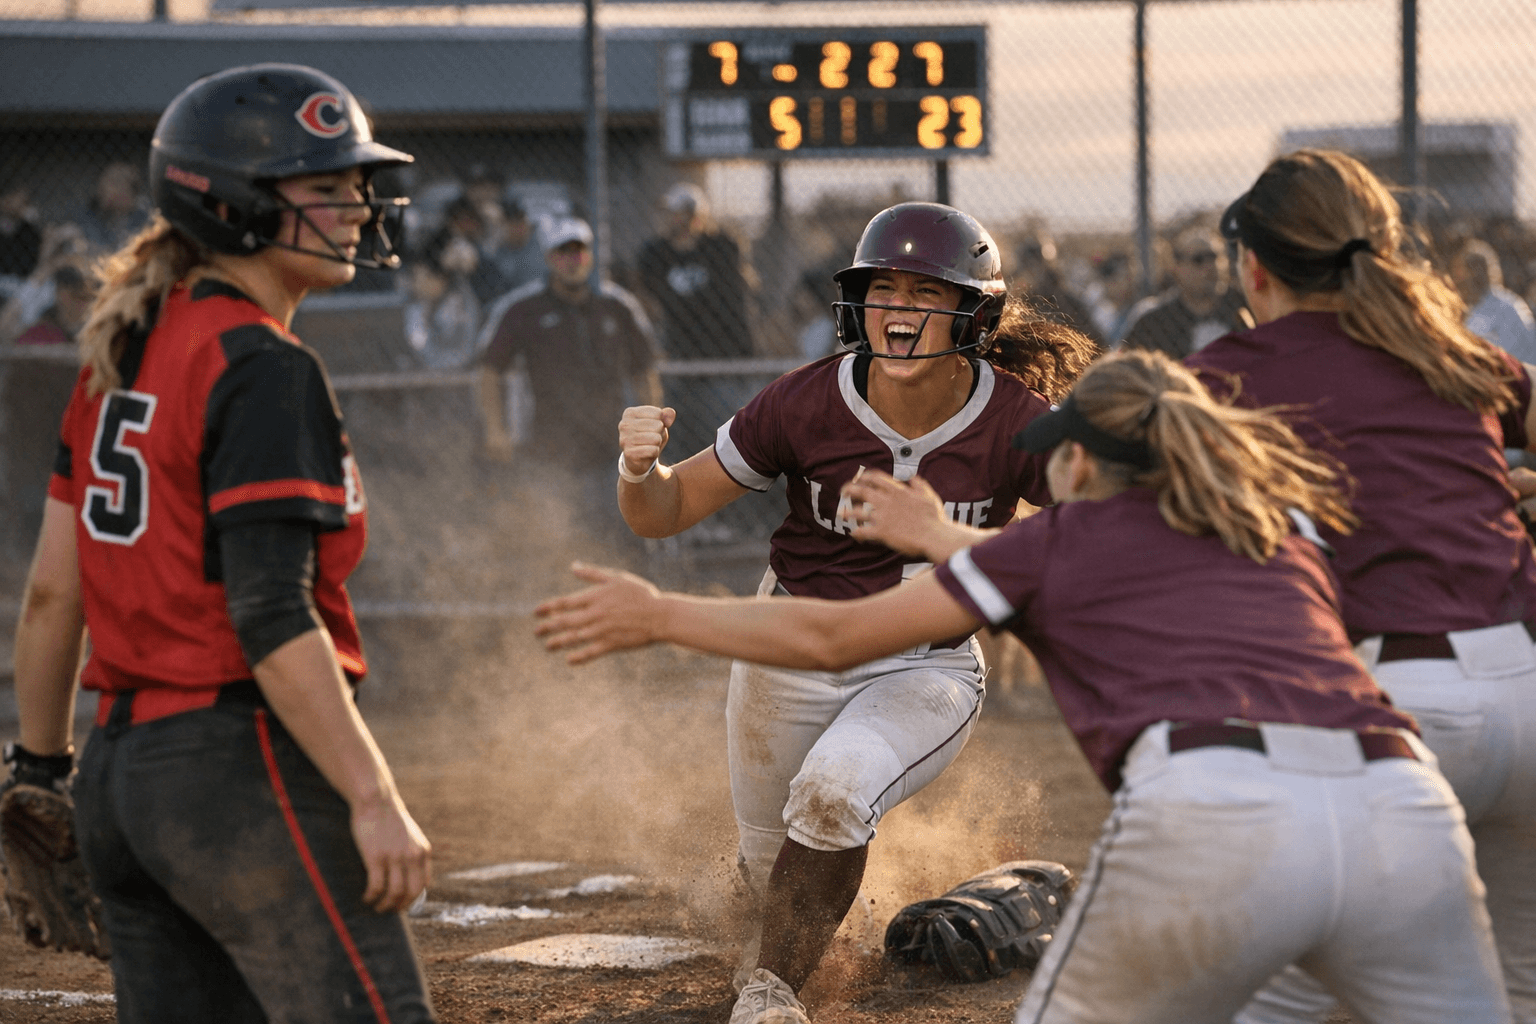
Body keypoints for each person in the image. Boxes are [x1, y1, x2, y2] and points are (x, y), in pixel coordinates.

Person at [540, 348, 1510, 1024]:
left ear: (1080, 457)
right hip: (1408, 806)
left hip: (1220, 815)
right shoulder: (1279, 527)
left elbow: (837, 631)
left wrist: (662, 613)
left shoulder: (1061, 541)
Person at [5, 63, 436, 1023]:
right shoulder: (260, 363)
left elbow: (50, 597)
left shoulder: (115, 355)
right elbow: (272, 616)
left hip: (119, 782)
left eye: (355, 186)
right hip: (232, 772)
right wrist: (370, 794)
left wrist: (40, 769)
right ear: (233, 202)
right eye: (325, 188)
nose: (359, 209)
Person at [612, 201, 1097, 1024]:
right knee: (770, 872)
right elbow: (664, 512)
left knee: (833, 797)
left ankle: (770, 998)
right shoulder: (804, 402)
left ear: (973, 314)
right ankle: (793, 934)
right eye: (883, 290)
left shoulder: (1020, 422)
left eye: (925, 293)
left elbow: (1096, 550)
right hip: (791, 645)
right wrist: (637, 470)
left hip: (924, 662)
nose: (899, 312)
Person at [1185, 147, 1536, 1024]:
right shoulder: (1454, 351)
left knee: (1267, 995)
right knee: (1513, 988)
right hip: (1528, 691)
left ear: (1254, 266)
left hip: (1405, 707)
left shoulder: (1234, 368)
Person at [476, 215, 661, 549]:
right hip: (548, 451)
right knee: (553, 544)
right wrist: (495, 429)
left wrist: (651, 428)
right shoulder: (522, 309)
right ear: (549, 259)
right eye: (562, 253)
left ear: (590, 256)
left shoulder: (617, 306)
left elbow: (644, 370)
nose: (572, 261)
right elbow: (489, 371)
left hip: (611, 450)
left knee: (625, 541)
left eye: (578, 251)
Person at [1121, 226, 1249, 356]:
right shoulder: (1154, 323)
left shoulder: (1245, 306)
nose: (1211, 266)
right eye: (1199, 259)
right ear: (1176, 267)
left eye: (1215, 256)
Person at [1454, 237, 1536, 364]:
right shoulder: (1479, 308)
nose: (1459, 279)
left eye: (1465, 272)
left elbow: (1509, 359)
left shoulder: (1504, 307)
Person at [75, 160, 152, 255]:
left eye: (111, 183)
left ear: (124, 188)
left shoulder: (146, 214)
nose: (101, 191)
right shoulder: (98, 214)